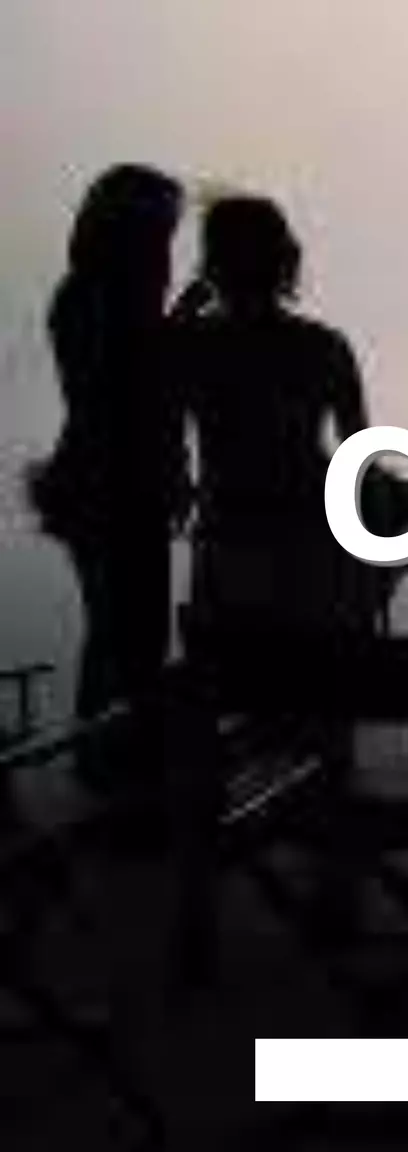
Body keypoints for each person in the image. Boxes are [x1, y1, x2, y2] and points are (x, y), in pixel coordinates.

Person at [175, 196, 376, 708]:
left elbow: (153, 418)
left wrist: (177, 318)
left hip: (229, 532)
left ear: (213, 263)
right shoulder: (325, 346)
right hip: (314, 536)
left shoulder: (192, 345)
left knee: (236, 691)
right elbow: (359, 455)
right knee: (318, 697)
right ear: (286, 259)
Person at [33, 165, 191, 794]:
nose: (167, 246)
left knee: (123, 632)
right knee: (127, 634)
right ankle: (111, 767)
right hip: (111, 486)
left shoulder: (91, 296)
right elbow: (124, 391)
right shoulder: (95, 300)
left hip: (109, 484)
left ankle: (109, 763)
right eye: (161, 230)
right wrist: (176, 331)